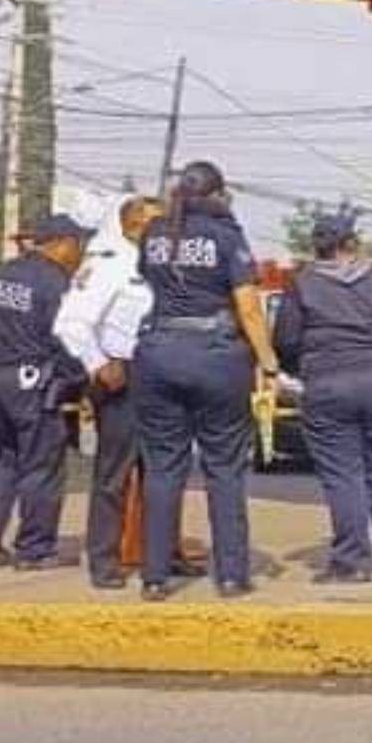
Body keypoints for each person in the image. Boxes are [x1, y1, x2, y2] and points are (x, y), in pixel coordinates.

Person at [135, 161, 278, 600]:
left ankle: (156, 576)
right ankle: (232, 575)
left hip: (158, 352)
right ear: (216, 194)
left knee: (162, 468)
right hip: (215, 356)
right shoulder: (225, 235)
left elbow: (151, 281)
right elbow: (249, 307)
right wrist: (268, 362)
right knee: (224, 469)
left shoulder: (155, 234)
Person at [54, 195, 196, 589]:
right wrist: (98, 363)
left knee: (164, 473)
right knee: (115, 476)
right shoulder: (109, 265)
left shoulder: (168, 263)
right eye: (157, 222)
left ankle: (164, 553)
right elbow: (71, 323)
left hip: (165, 374)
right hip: (123, 377)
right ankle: (104, 561)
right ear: (133, 225)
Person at [273, 211, 372, 583]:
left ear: (316, 247)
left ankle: (351, 561)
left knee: (344, 475)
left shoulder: (303, 283)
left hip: (328, 384)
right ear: (352, 243)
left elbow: (286, 340)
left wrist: (300, 369)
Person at [0, 214, 93, 570]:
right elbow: (66, 340)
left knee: (7, 457)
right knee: (42, 465)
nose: (81, 253)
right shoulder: (56, 284)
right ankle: (35, 549)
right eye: (79, 244)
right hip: (32, 381)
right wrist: (78, 380)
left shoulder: (0, 274)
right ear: (62, 242)